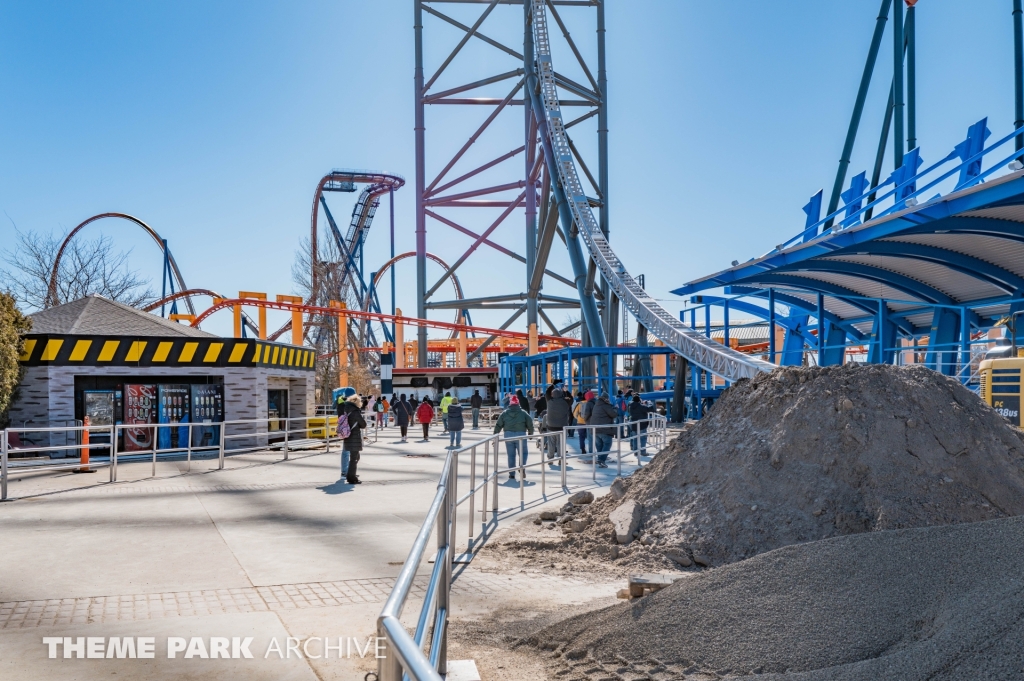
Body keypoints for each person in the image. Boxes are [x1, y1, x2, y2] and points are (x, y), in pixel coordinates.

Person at [494, 395, 534, 480]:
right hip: (521, 434)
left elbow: (498, 425)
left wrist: (495, 435)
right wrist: (531, 432)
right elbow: (530, 422)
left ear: (510, 403)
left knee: (511, 455)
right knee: (523, 453)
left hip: (508, 435)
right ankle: (522, 467)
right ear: (518, 403)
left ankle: (512, 474)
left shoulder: (505, 413)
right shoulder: (523, 413)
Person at [339, 394, 368, 484]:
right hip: (354, 437)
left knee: (355, 457)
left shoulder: (346, 410)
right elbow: (363, 424)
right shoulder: (355, 412)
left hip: (347, 436)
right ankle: (352, 477)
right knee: (354, 458)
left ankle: (349, 474)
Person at [587, 393, 619, 468]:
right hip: (605, 429)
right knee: (607, 444)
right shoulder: (606, 405)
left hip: (595, 429)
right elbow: (613, 414)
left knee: (599, 445)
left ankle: (600, 459)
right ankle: (602, 460)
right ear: (606, 399)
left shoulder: (596, 405)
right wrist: (615, 408)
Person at [543, 384, 572, 463]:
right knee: (561, 443)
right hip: (562, 427)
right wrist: (566, 391)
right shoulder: (566, 402)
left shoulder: (549, 401)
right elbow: (571, 398)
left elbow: (547, 393)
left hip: (551, 426)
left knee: (551, 443)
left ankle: (550, 458)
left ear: (552, 394)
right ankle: (560, 459)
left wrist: (552, 385)